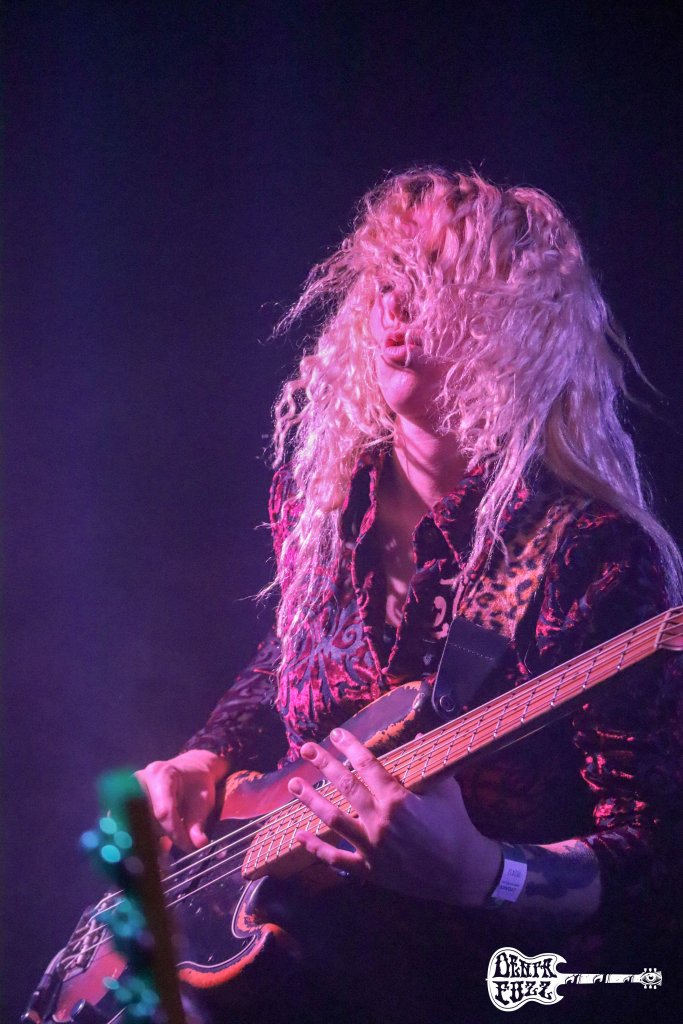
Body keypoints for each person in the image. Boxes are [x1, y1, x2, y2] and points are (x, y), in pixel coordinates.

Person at [138, 169, 683, 1022]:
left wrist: (484, 874)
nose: (396, 305)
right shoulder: (324, 499)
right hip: (298, 973)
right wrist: (206, 756)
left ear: (517, 318)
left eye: (435, 280)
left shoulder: (592, 554)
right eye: (388, 278)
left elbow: (655, 854)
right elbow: (292, 653)